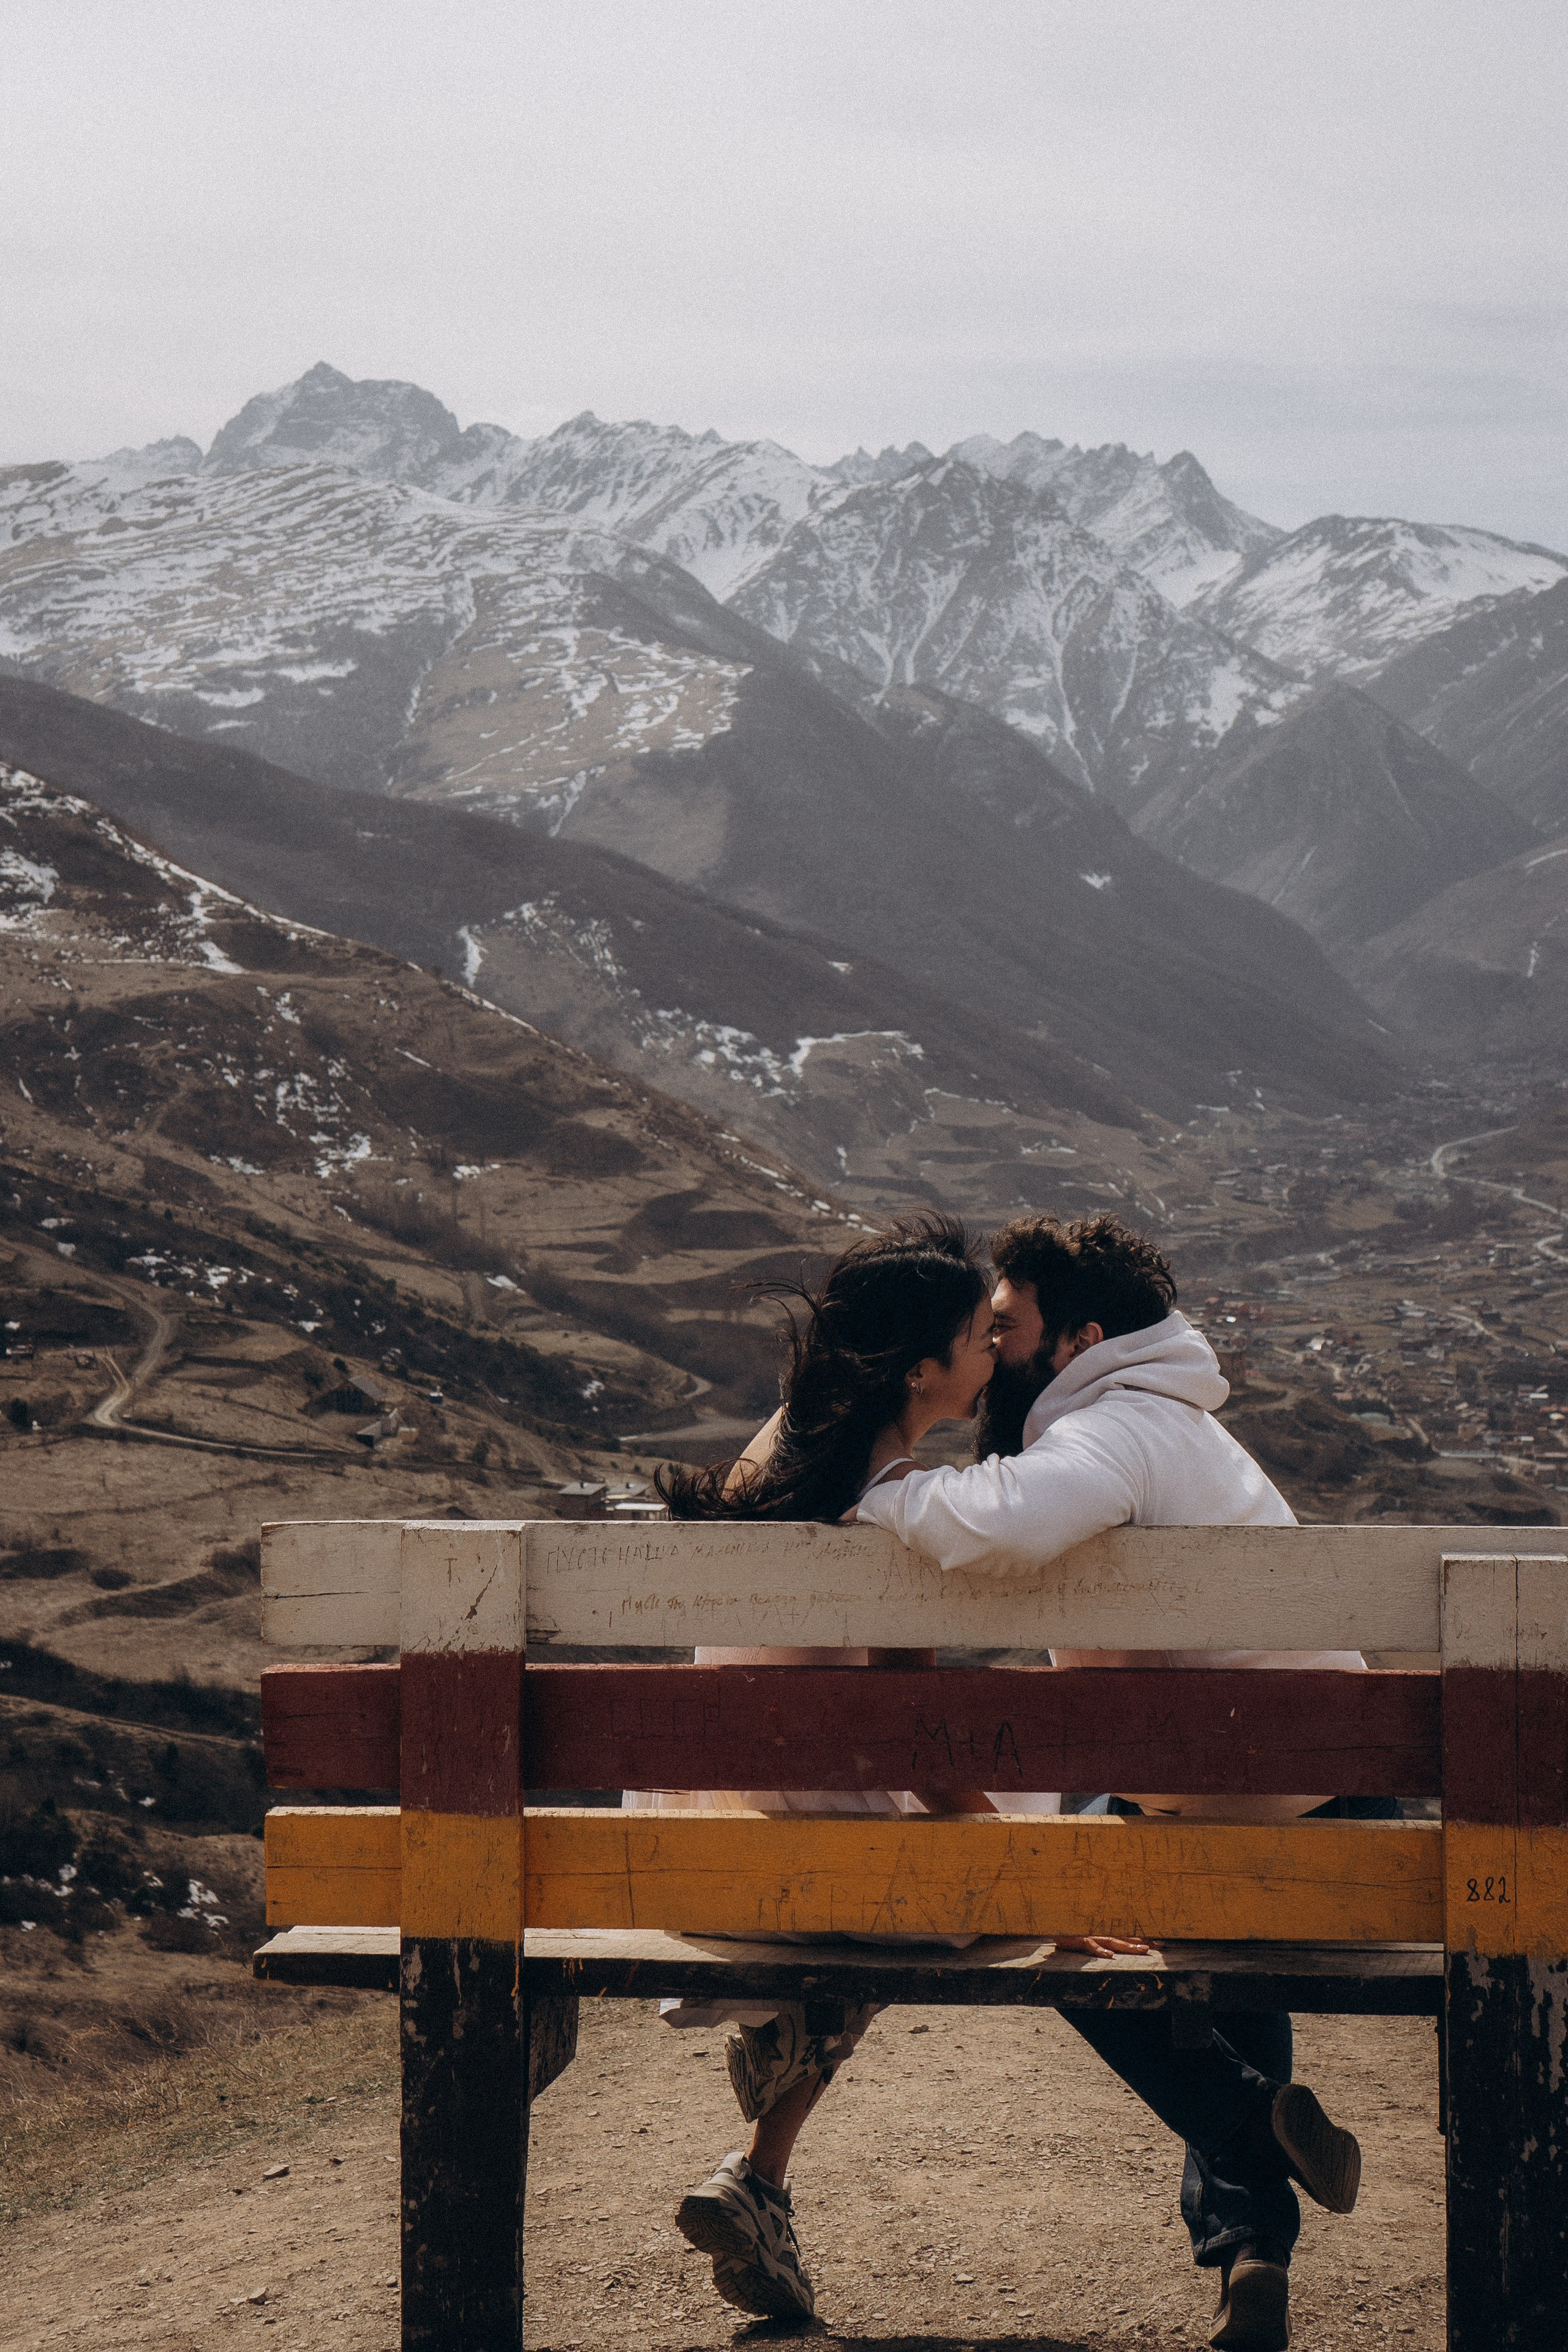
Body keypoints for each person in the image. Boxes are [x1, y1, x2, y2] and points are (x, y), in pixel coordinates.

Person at [853, 1212, 1374, 2352]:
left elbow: (999, 1530)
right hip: (1329, 1793)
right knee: (1184, 1922)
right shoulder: (1175, 1427)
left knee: (1047, 1906)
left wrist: (883, 1491)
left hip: (1231, 1795)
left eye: (1009, 1326)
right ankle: (1250, 2254)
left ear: (1079, 1338)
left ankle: (1244, 2127)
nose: (991, 1347)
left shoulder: (1113, 1430)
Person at [632, 1216, 1059, 2324]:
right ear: (921, 1371)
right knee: (962, 1871)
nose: (995, 1354)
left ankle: (765, 2164)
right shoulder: (894, 1500)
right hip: (833, 1818)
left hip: (726, 1801)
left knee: (882, 1870)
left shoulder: (783, 1445)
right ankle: (762, 2160)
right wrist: (1036, 1870)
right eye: (979, 1338)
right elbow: (916, 1751)